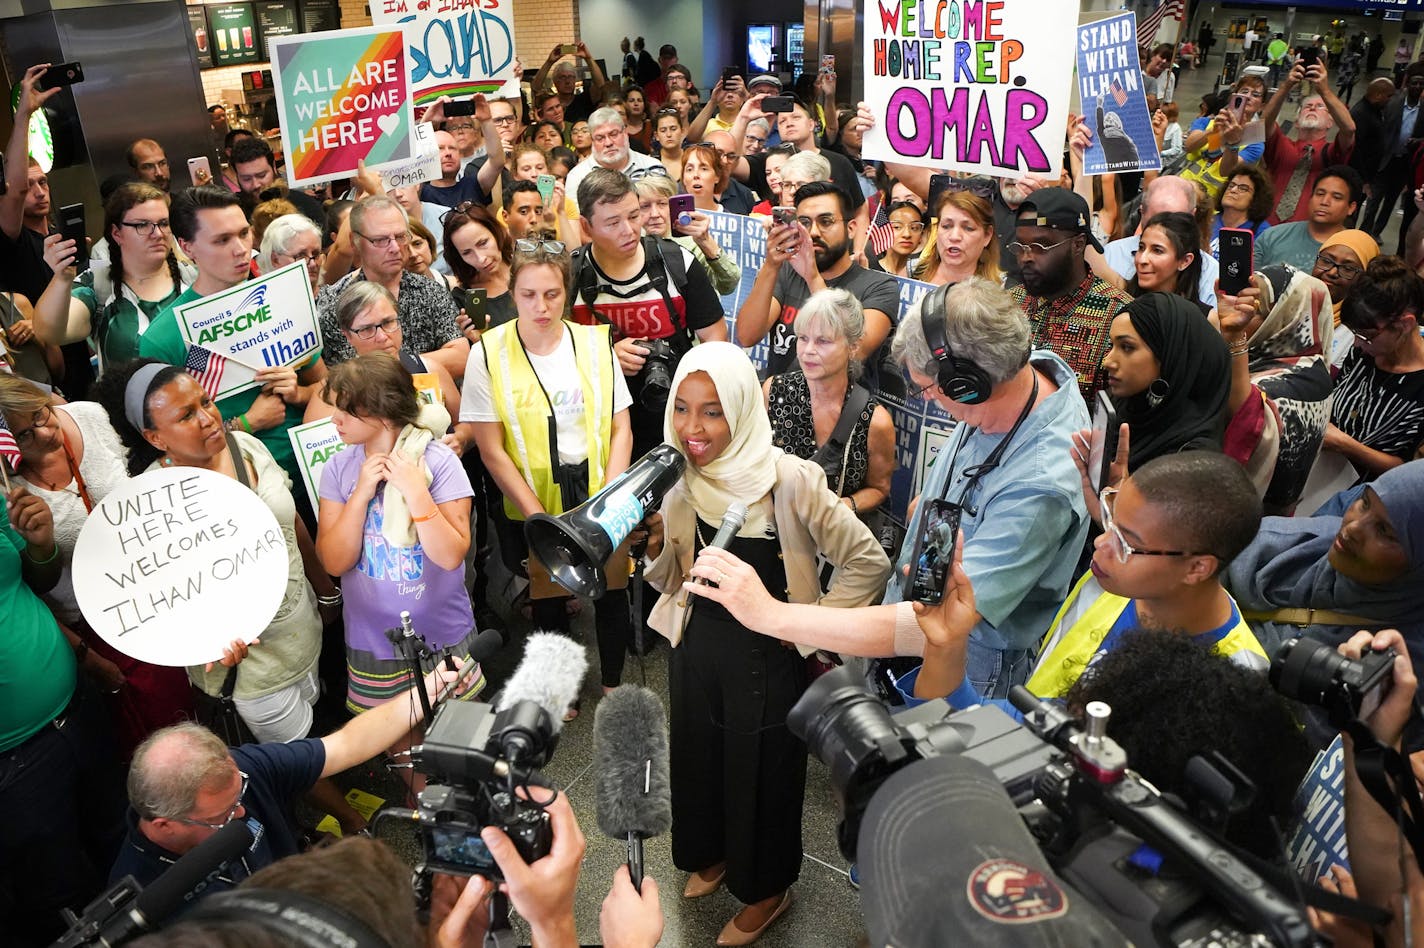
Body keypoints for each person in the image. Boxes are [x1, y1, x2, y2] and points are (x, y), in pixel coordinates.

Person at [639, 342, 889, 946]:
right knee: (700, 756)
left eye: (712, 412)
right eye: (683, 409)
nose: (693, 428)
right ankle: (714, 852)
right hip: (695, 646)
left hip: (767, 656)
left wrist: (811, 627)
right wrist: (651, 547)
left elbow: (868, 560)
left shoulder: (790, 479)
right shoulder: (679, 473)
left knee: (763, 776)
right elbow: (676, 567)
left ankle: (767, 888)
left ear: (744, 410)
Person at [897, 451, 1269, 705]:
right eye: (1109, 521)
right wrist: (947, 644)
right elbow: (1025, 724)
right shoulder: (1109, 587)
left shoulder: (1236, 678)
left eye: (1126, 542)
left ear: (1197, 568)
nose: (1101, 545)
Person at [94, 359, 329, 745]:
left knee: (315, 718)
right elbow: (164, 600)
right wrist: (208, 644)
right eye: (187, 415)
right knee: (300, 759)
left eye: (206, 401)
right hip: (253, 670)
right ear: (155, 438)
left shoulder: (247, 447)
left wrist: (325, 591)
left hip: (304, 630)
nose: (208, 418)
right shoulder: (150, 505)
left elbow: (294, 523)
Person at [110, 658, 469, 898]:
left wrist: (426, 693)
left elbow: (346, 744)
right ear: (164, 825)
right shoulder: (142, 894)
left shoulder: (243, 769)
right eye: (223, 815)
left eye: (241, 795)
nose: (242, 814)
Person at [461, 242, 636, 697]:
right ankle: (563, 689)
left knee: (614, 586)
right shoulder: (489, 352)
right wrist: (537, 515)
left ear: (567, 291)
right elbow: (491, 448)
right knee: (549, 597)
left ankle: (613, 681)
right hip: (533, 495)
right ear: (512, 292)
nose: (542, 307)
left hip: (598, 485)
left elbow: (621, 427)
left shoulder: (596, 342)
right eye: (529, 294)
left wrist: (610, 498)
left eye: (553, 294)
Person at [0, 375, 192, 755]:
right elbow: (28, 587)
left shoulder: (89, 416)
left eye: (41, 413)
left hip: (156, 590)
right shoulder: (8, 492)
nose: (45, 430)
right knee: (152, 734)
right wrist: (41, 545)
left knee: (185, 703)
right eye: (23, 435)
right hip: (95, 622)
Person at [315, 353, 480, 792]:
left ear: (383, 411)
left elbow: (450, 555)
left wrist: (414, 490)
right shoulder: (339, 468)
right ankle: (425, 805)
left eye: (346, 409)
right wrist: (360, 495)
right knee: (400, 741)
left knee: (460, 737)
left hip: (441, 632)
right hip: (374, 639)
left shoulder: (439, 464)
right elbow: (333, 561)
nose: (335, 420)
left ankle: (468, 815)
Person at [0, 477, 128, 946]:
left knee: (118, 826)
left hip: (75, 706)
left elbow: (36, 579)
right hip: (13, 761)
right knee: (58, 889)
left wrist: (40, 545)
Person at [138, 187, 325, 495]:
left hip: (314, 464)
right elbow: (168, 445)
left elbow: (324, 386)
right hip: (239, 486)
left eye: (243, 234)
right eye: (222, 240)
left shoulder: (282, 296)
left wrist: (299, 393)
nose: (240, 249)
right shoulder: (163, 338)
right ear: (186, 247)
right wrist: (247, 423)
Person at [570, 168, 727, 457]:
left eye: (633, 215)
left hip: (675, 417)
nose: (629, 230)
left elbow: (716, 339)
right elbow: (551, 357)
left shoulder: (677, 261)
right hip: (601, 426)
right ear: (586, 226)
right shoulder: (570, 278)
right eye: (613, 222)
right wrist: (606, 358)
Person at [1227, 460, 1424, 662]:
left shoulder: (1398, 665)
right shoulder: (1299, 543)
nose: (1353, 528)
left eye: (1383, 530)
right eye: (1364, 503)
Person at [738, 182, 899, 392]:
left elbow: (855, 349)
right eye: (804, 222)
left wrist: (812, 276)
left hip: (843, 412)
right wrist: (772, 264)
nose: (813, 232)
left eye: (826, 221)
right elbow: (747, 336)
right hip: (781, 406)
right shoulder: (786, 273)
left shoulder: (879, 286)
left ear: (850, 229)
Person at [2, 64, 95, 399]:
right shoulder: (13, 243)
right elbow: (11, 191)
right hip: (49, 380)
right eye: (29, 187)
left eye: (43, 182)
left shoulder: (59, 238)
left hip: (83, 363)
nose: (39, 191)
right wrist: (23, 117)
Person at [764, 288, 894, 521]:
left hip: (834, 540)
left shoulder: (875, 421)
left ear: (853, 346)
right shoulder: (774, 391)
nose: (808, 351)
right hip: (774, 530)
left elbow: (879, 489)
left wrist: (840, 506)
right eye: (803, 338)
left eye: (823, 341)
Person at [34, 182, 191, 371]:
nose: (157, 233)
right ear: (117, 233)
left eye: (163, 223)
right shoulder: (97, 283)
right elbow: (51, 333)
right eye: (142, 225)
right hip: (130, 398)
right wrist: (62, 277)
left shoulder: (195, 275)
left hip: (203, 396)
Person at [316, 196, 467, 379]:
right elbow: (348, 378)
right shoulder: (336, 304)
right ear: (355, 241)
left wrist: (394, 364)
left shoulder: (429, 290)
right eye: (380, 240)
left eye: (400, 236)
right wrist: (425, 364)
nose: (395, 247)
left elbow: (460, 357)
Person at [1007, 188, 1132, 406]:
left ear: (1078, 244)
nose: (1026, 257)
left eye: (1039, 246)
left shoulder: (1119, 317)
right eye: (1021, 246)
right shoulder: (1007, 304)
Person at [1099, 292, 1231, 470]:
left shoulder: (1194, 460)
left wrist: (1116, 495)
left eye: (1127, 347)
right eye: (1111, 345)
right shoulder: (1120, 407)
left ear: (1170, 356)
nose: (1107, 362)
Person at [305, 282, 461, 429]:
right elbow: (316, 450)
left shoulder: (430, 369)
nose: (382, 336)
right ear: (347, 336)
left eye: (388, 323)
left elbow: (465, 425)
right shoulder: (331, 390)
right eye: (367, 329)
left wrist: (460, 439)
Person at [1326, 257, 1424, 475]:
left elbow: (1411, 472)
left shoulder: (1418, 388)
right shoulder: (1365, 351)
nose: (1357, 344)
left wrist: (1344, 445)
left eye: (1367, 336)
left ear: (1405, 324)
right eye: (1355, 334)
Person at [1256, 62, 1357, 226]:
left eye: (1320, 107)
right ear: (1296, 122)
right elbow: (1264, 124)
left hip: (1308, 231)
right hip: (1267, 228)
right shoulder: (1282, 145)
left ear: (1330, 122)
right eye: (1307, 107)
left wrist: (1324, 91)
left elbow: (1349, 128)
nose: (1312, 109)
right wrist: (1286, 86)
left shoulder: (1332, 151)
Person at [1096, 175, 1221, 307]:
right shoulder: (1113, 254)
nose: (1143, 260)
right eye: (1141, 248)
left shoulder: (1211, 273)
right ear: (1142, 212)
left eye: (1157, 250)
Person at [634, 173, 741, 295]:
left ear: (672, 207)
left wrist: (707, 243)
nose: (654, 214)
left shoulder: (691, 241)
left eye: (662, 204)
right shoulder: (633, 242)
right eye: (645, 206)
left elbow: (728, 285)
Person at [1254, 165, 1363, 272]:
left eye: (1336, 197)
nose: (1324, 202)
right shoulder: (1272, 237)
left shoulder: (1358, 252)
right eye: (1320, 194)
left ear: (1351, 207)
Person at [443, 202, 518, 337]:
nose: (480, 258)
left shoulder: (527, 265)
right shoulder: (461, 299)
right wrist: (477, 342)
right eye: (467, 253)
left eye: (483, 243)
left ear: (496, 232)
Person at [564, 108, 665, 200]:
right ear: (592, 141)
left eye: (613, 134)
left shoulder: (652, 167)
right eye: (600, 138)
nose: (608, 143)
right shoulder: (577, 177)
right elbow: (576, 219)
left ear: (625, 132)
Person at [1311, 229, 1379, 365]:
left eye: (1347, 269)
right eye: (1326, 260)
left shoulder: (1361, 332)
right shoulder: (1289, 304)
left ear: (1365, 278)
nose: (1332, 272)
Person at [421, 105, 505, 210]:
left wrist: (486, 120)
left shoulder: (473, 185)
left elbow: (497, 162)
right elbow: (410, 165)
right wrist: (426, 121)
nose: (448, 153)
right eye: (440, 149)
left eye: (452, 148)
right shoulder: (420, 193)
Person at [914, 187, 1002, 286]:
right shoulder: (912, 271)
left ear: (987, 235)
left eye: (968, 228)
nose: (954, 237)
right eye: (946, 226)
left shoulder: (1008, 291)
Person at [228, 137, 324, 227]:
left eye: (262, 176)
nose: (255, 184)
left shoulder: (304, 204)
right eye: (246, 179)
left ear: (274, 167)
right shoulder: (232, 212)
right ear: (236, 175)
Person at [533, 43, 607, 124]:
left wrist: (588, 58)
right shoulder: (552, 104)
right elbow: (536, 87)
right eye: (563, 77)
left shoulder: (584, 99)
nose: (567, 81)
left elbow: (600, 85)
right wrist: (549, 62)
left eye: (571, 77)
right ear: (555, 81)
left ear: (575, 80)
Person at [1209, 166, 1274, 256]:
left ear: (1256, 198)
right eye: (1231, 185)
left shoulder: (1263, 233)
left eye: (1243, 188)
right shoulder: (1208, 221)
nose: (1233, 190)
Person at [255, 212, 323, 295]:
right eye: (301, 256)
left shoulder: (335, 302)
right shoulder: (261, 305)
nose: (313, 264)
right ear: (275, 260)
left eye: (315, 254)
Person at [876, 200, 928, 278]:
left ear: (921, 236)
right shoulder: (868, 268)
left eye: (914, 228)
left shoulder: (924, 275)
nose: (907, 234)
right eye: (897, 227)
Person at [680, 142, 727, 213]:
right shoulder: (673, 218)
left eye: (704, 169)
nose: (695, 175)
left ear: (717, 176)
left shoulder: (733, 220)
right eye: (689, 169)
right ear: (683, 179)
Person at [654, 106, 688, 181]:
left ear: (682, 131)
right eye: (663, 130)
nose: (669, 134)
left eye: (673, 129)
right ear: (656, 136)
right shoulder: (649, 162)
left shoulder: (693, 158)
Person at [624, 85, 652, 151]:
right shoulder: (620, 128)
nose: (636, 103)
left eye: (639, 100)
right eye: (631, 100)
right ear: (625, 104)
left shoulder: (651, 126)